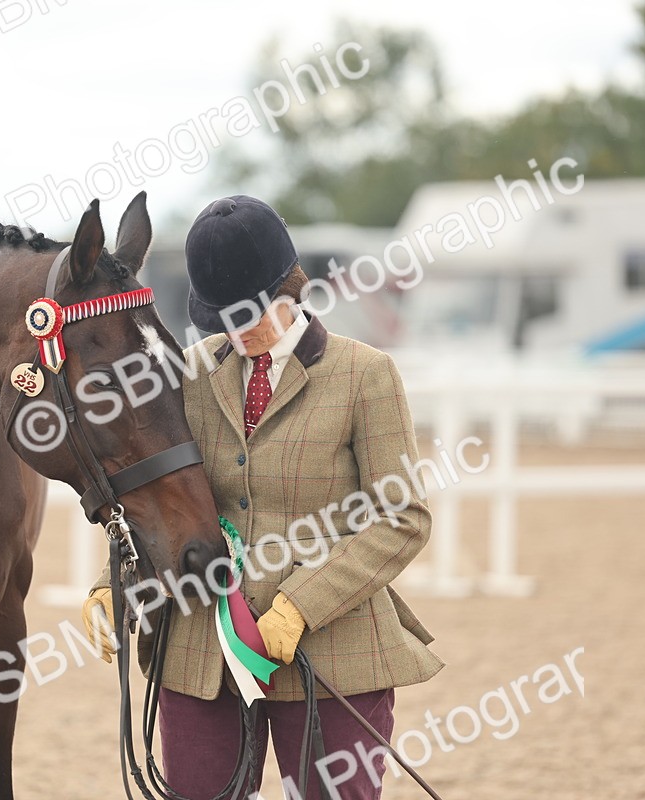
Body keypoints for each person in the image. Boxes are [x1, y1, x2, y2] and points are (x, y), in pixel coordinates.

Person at [83, 195, 444, 799]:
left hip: (332, 651)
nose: (237, 331)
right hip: (201, 648)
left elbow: (401, 517)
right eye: (222, 318)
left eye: (249, 314)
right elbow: (160, 494)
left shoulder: (365, 375)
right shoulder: (189, 372)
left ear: (289, 287)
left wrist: (301, 604)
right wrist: (114, 582)